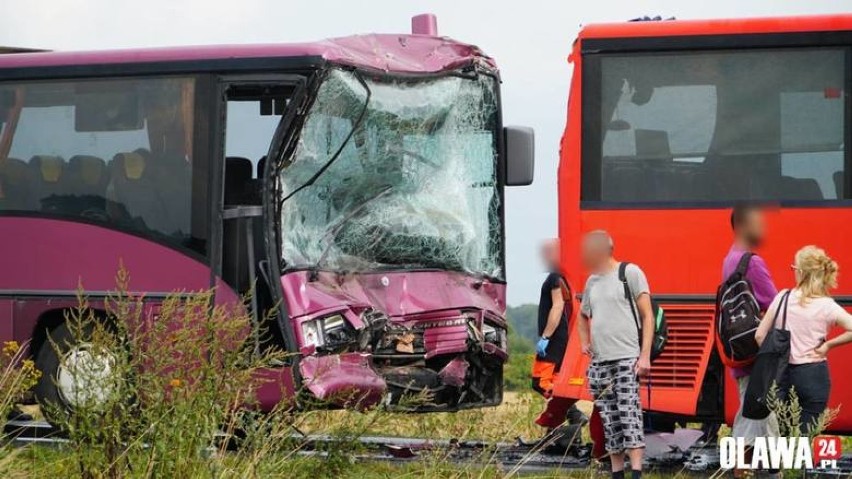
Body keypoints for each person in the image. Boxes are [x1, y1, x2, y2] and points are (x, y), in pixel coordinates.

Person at [578, 230, 653, 479]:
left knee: (629, 414)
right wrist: (584, 341)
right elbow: (582, 315)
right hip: (600, 361)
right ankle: (617, 473)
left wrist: (644, 356)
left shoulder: (629, 273)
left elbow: (647, 316)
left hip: (626, 358)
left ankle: (637, 473)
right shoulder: (591, 282)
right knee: (610, 420)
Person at [755, 246, 852, 433]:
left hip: (781, 375)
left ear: (800, 272)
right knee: (807, 438)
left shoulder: (782, 298)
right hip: (814, 375)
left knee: (783, 438)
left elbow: (759, 335)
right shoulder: (826, 305)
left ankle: (786, 463)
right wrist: (829, 345)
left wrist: (775, 357)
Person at [723, 205, 780, 478]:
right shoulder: (751, 261)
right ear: (744, 226)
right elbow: (776, 304)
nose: (764, 229)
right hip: (756, 357)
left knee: (760, 421)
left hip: (741, 351)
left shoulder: (730, 259)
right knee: (752, 421)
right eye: (758, 223)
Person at [531, 240, 586, 440]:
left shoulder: (555, 277)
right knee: (550, 381)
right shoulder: (564, 277)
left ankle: (573, 414)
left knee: (542, 382)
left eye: (548, 252)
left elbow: (557, 307)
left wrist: (546, 336)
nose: (544, 256)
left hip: (554, 339)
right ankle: (559, 428)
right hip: (560, 338)